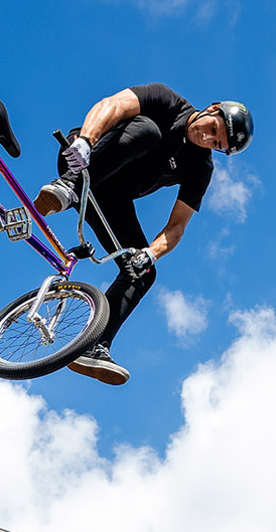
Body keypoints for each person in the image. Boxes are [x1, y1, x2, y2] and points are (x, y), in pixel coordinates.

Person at [32, 84, 254, 386]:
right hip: (84, 160)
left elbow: (177, 227)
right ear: (212, 108)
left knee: (143, 272)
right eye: (212, 128)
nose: (207, 138)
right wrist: (84, 142)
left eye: (216, 143)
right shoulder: (166, 100)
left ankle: (93, 346)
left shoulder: (200, 168)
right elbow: (112, 104)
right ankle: (67, 187)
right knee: (148, 129)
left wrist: (150, 253)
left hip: (109, 198)